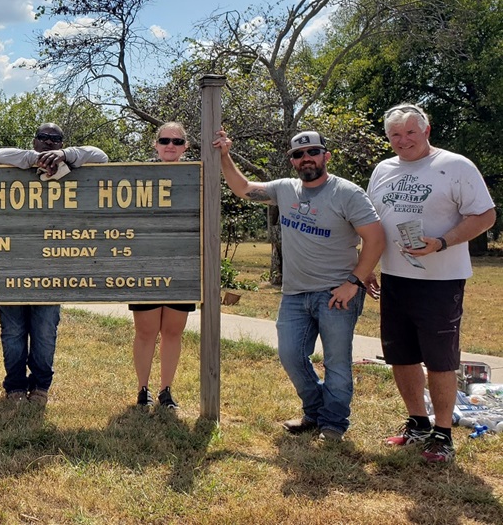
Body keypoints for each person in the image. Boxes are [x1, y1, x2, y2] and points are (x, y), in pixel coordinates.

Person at [214, 129, 384, 442]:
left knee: (337, 363)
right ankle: (315, 410)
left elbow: (376, 238)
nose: (306, 158)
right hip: (294, 293)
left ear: (326, 156)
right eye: (298, 154)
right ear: (292, 161)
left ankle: (333, 424)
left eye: (313, 152)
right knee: (291, 355)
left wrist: (354, 282)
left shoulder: (347, 193)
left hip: (337, 293)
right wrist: (225, 155)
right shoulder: (284, 189)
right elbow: (243, 189)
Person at [368, 104, 495, 462]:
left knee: (440, 359)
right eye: (395, 135)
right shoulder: (383, 169)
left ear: (427, 130)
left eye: (410, 132)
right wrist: (367, 264)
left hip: (441, 280)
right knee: (401, 355)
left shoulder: (455, 165)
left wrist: (441, 243)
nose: (403, 140)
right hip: (395, 277)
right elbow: (374, 222)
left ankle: (442, 435)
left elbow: (485, 215)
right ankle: (418, 424)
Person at [0, 123, 108, 405]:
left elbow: (101, 156)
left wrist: (66, 155)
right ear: (34, 140)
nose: (49, 143)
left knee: (44, 333)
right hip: (12, 267)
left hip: (52, 270)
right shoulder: (18, 162)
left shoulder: (73, 164)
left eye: (56, 140)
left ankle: (41, 386)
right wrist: (34, 159)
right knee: (13, 332)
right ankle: (15, 387)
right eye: (44, 138)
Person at [129, 122, 195, 409]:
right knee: (145, 332)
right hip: (145, 265)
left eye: (177, 141)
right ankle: (142, 390)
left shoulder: (197, 176)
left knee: (172, 332)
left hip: (183, 266)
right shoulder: (139, 177)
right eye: (165, 140)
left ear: (186, 147)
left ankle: (166, 390)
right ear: (155, 145)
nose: (171, 145)